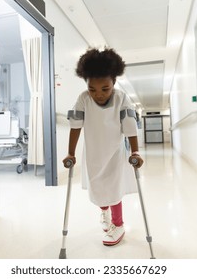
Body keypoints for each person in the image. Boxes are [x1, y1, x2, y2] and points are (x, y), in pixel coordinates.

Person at [63, 47, 144, 246]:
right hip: (93, 154)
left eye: (105, 89)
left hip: (115, 152)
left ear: (114, 82)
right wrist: (70, 153)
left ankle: (119, 224)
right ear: (86, 85)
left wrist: (135, 151)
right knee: (99, 189)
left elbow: (129, 126)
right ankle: (104, 214)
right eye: (92, 89)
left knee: (114, 189)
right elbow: (75, 127)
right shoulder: (83, 99)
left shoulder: (120, 98)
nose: (98, 94)